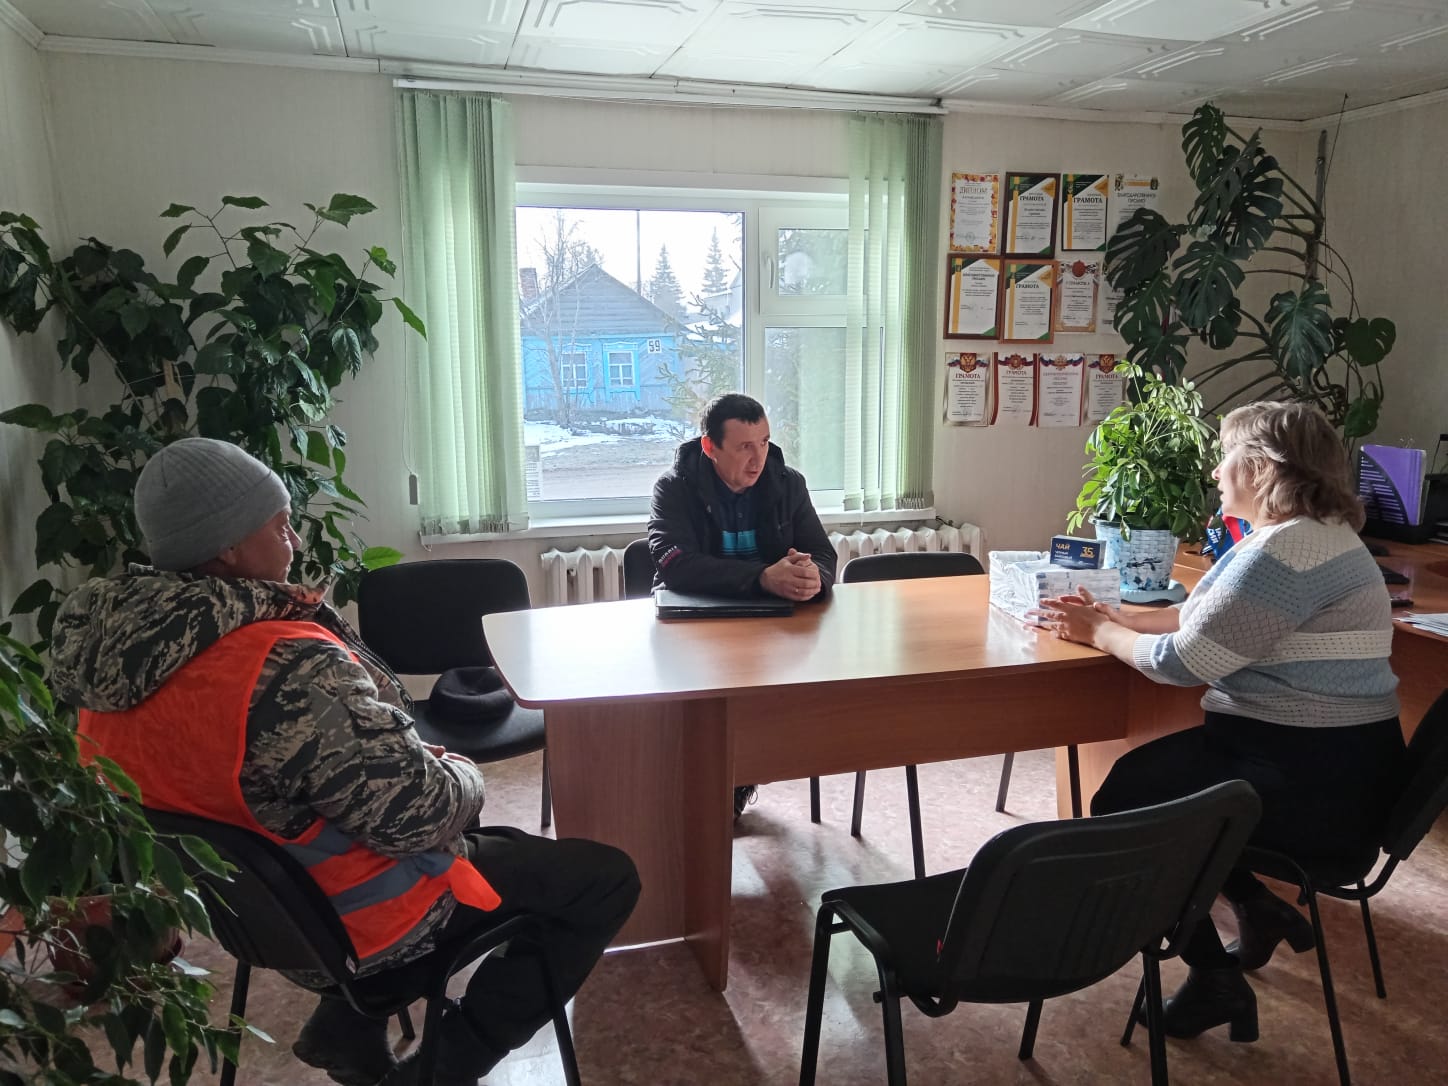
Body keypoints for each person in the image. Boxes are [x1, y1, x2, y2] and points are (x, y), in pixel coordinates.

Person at [49, 437, 640, 1086]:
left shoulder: (103, 662)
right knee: (603, 879)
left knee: (477, 842)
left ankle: (345, 1026)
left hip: (256, 919)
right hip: (367, 919)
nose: (295, 542)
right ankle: (442, 1070)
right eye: (280, 525)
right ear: (229, 548)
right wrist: (464, 772)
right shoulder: (283, 667)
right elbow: (422, 816)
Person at [1038, 401, 1403, 1043]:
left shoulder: (1286, 550)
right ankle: (1257, 907)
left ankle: (1213, 978)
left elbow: (1184, 661)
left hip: (1312, 780)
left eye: (1226, 456)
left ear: (1260, 468)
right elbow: (1206, 619)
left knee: (1127, 801)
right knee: (1155, 786)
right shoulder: (1313, 536)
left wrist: (1099, 633)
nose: (1215, 471)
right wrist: (1117, 619)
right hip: (1341, 758)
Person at [649, 393, 837, 817]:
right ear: (710, 447)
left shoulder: (788, 484)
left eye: (765, 442)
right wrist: (762, 577)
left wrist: (813, 577)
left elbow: (823, 554)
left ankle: (737, 777)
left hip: (767, 624)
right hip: (693, 624)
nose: (758, 459)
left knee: (787, 697)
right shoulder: (674, 487)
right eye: (744, 447)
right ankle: (700, 785)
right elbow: (674, 563)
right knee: (704, 706)